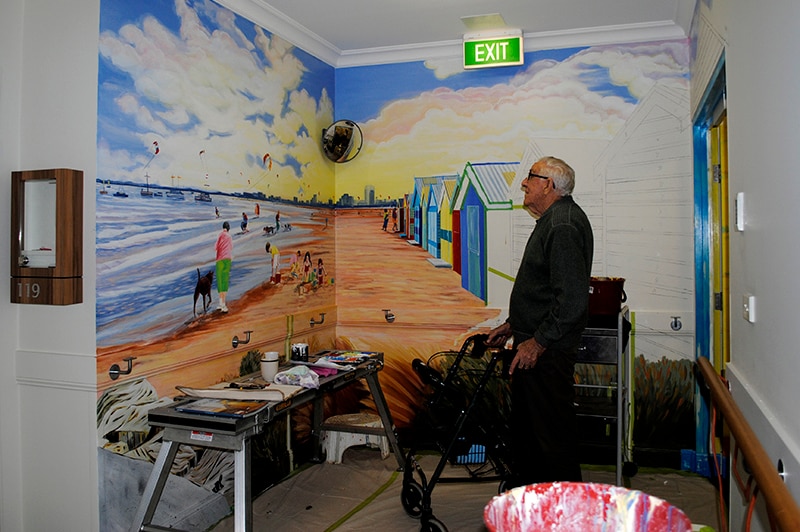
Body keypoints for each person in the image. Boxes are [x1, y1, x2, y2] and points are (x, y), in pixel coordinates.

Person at [486, 156, 593, 486]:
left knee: (549, 435)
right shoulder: (555, 219)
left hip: (547, 351)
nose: (524, 183)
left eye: (530, 177)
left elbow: (571, 299)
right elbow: (546, 290)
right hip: (536, 343)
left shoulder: (562, 224)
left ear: (548, 185)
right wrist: (512, 325)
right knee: (533, 431)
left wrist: (538, 341)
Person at [214, 221, 233, 313]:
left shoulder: (220, 235)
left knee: (220, 281)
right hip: (227, 259)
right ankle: (223, 304)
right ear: (229, 228)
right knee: (225, 280)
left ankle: (221, 303)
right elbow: (231, 247)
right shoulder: (229, 236)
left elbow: (215, 247)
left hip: (220, 259)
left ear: (223, 227)